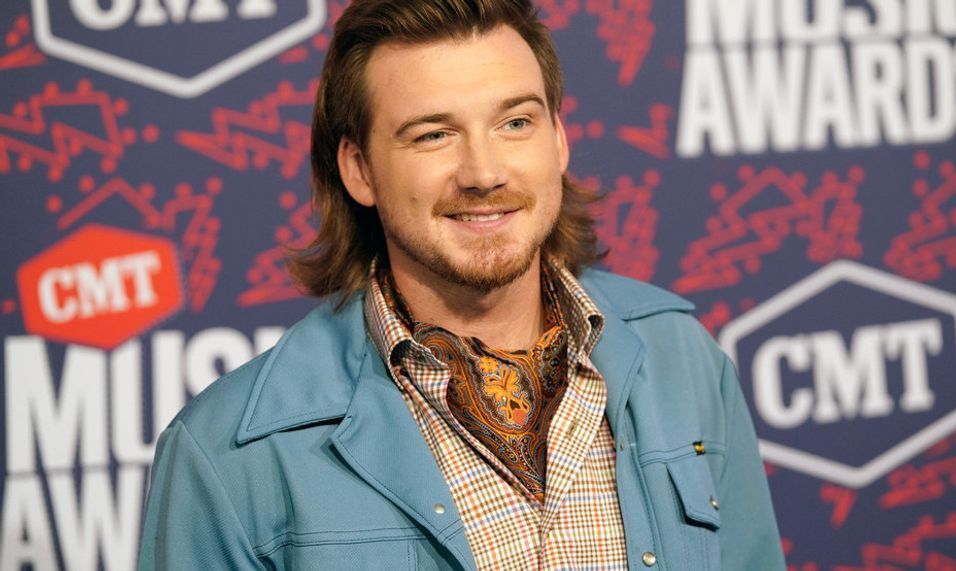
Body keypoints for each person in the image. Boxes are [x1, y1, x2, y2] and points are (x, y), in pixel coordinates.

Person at [139, 0, 785, 569]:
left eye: (515, 123)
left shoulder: (682, 359)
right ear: (359, 170)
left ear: (558, 140)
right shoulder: (229, 456)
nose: (483, 171)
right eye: (434, 135)